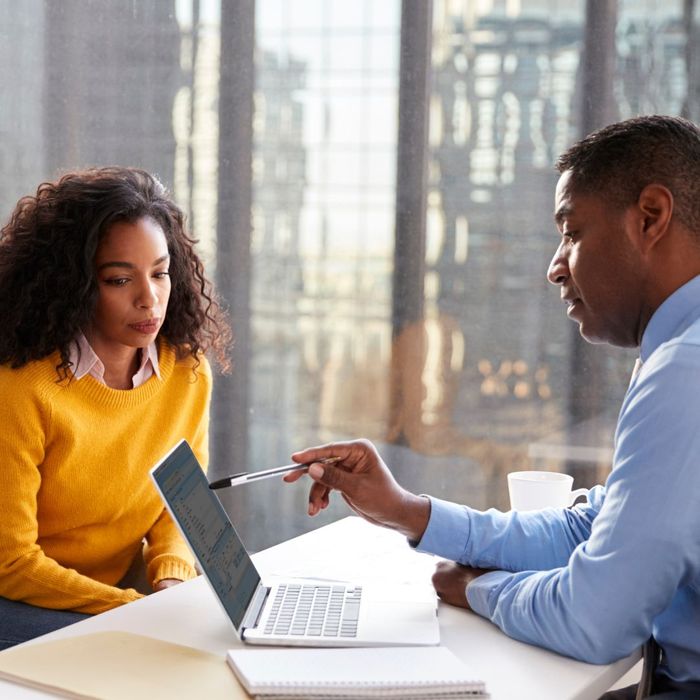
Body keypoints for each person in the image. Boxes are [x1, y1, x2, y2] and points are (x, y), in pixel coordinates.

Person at [285, 115, 700, 699]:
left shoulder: (685, 370)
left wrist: (476, 590)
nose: (556, 266)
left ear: (650, 218)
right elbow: (594, 528)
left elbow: (594, 620)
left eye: (572, 233)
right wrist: (409, 511)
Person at [0, 167, 230, 650]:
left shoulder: (187, 372)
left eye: (161, 273)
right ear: (73, 283)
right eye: (120, 279)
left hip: (117, 596)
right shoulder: (21, 388)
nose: (149, 299)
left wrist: (170, 578)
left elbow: (179, 508)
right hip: (16, 597)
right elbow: (12, 563)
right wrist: (134, 608)